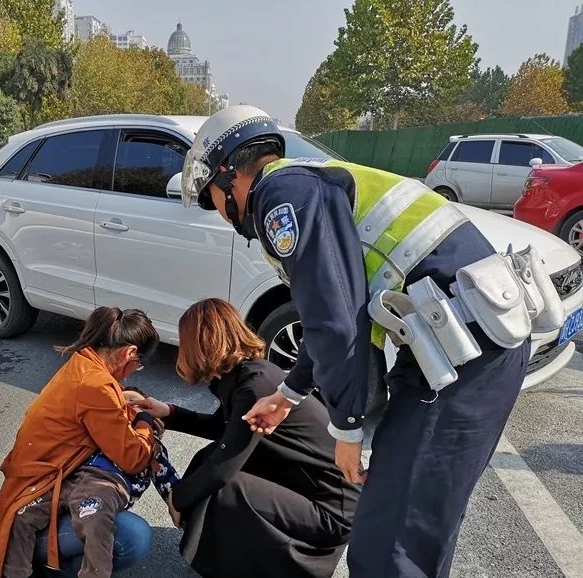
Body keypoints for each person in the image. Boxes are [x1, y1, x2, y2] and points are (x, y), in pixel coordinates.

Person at [179, 105, 530, 577]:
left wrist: (347, 430)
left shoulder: (281, 196)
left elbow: (337, 325)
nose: (221, 215)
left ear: (227, 176)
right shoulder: (308, 181)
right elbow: (329, 318)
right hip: (456, 347)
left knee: (390, 548)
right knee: (412, 531)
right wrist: (287, 395)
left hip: (461, 355)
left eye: (212, 200)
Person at [130, 298, 360, 578]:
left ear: (202, 343)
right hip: (312, 487)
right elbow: (222, 430)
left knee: (223, 487)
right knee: (207, 461)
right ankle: (236, 553)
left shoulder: (254, 386)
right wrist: (166, 411)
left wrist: (178, 499)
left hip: (333, 510)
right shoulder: (249, 375)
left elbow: (224, 467)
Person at [0, 307, 164, 578]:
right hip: (37, 501)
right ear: (128, 353)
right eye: (137, 365)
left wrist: (123, 399)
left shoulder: (83, 364)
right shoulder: (97, 387)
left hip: (26, 495)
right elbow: (132, 458)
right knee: (134, 536)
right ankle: (60, 569)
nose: (132, 373)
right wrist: (144, 419)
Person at [2, 387, 180, 578]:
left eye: (135, 405)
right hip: (66, 484)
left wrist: (176, 502)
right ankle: (17, 572)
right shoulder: (98, 429)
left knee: (97, 522)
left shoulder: (151, 448)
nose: (126, 407)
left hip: (104, 486)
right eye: (121, 403)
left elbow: (169, 481)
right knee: (23, 514)